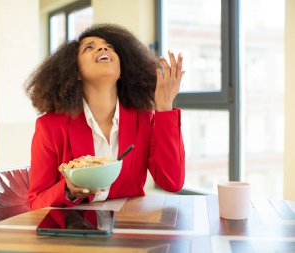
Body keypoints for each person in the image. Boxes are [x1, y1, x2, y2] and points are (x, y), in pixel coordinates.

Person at [25, 24, 185, 209]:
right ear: (75, 72)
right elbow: (36, 201)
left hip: (130, 225)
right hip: (76, 229)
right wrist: (67, 190)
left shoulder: (143, 119)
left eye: (110, 47)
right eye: (89, 47)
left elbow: (172, 182)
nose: (103, 48)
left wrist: (164, 108)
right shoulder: (50, 127)